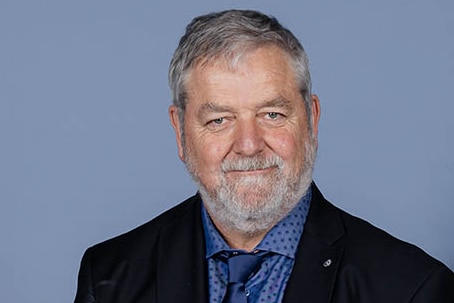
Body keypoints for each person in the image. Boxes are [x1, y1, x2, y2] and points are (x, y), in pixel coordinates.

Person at [74, 9, 454, 303]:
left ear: (312, 119)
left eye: (272, 114)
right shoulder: (110, 278)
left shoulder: (411, 289)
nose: (249, 144)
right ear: (180, 132)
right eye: (219, 119)